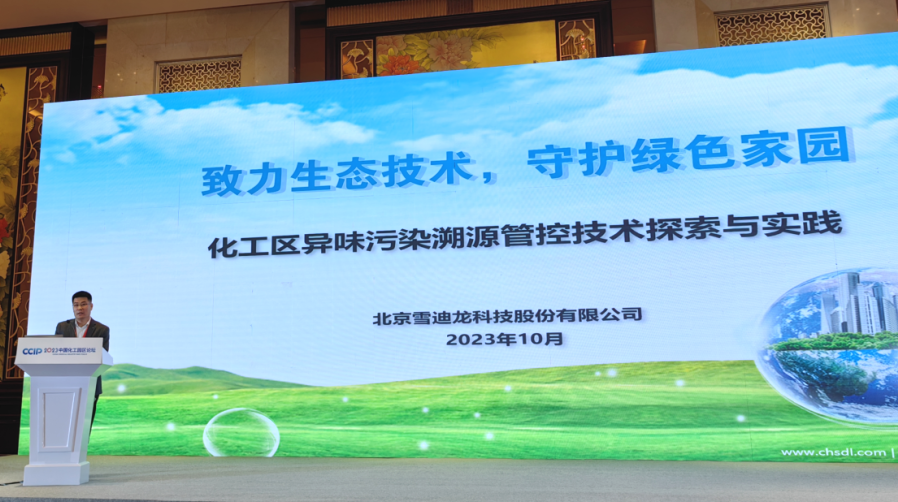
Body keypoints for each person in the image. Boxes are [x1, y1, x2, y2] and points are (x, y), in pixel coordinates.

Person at [55, 291, 110, 433]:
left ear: (91, 306)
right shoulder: (62, 327)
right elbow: (55, 353)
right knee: (64, 425)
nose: (79, 308)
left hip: (90, 383)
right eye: (76, 305)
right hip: (65, 383)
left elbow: (102, 356)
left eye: (83, 304)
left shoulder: (102, 329)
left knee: (83, 429)